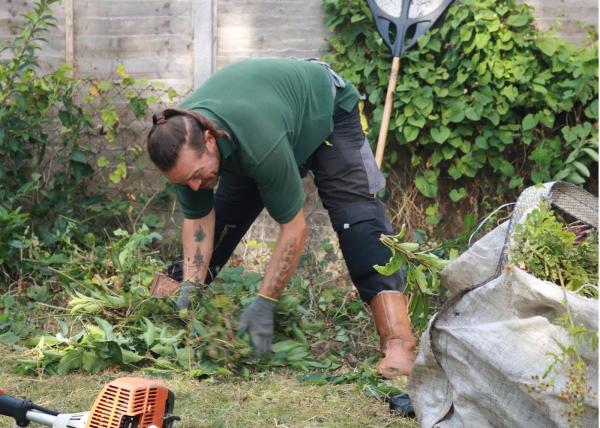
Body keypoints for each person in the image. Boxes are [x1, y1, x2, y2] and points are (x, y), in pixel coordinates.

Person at [146, 58, 416, 379]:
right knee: (225, 223)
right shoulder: (179, 141)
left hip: (325, 112)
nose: (193, 186)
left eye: (195, 175)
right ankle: (162, 317)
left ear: (208, 138)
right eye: (184, 182)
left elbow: (294, 228)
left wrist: (265, 301)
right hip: (261, 125)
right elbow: (200, 222)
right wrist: (190, 287)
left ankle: (399, 341)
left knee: (355, 219)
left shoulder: (259, 145)